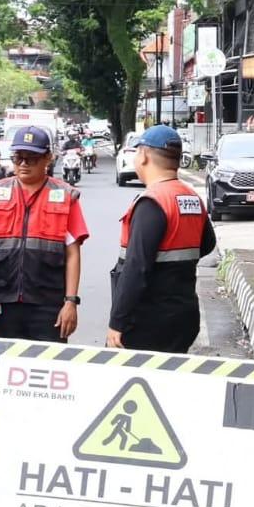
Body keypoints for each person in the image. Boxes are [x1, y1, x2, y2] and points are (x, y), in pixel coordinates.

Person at [0, 125, 88, 342]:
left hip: (49, 306)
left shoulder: (65, 196)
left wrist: (71, 302)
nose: (23, 164)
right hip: (4, 303)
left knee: (48, 369)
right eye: (18, 158)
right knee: (5, 370)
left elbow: (73, 254)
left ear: (48, 158)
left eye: (31, 158)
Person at [107, 125, 216, 353]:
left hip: (147, 320)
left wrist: (117, 321)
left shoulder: (153, 202)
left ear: (144, 155)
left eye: (137, 152)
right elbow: (207, 244)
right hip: (184, 315)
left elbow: (136, 268)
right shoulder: (191, 197)